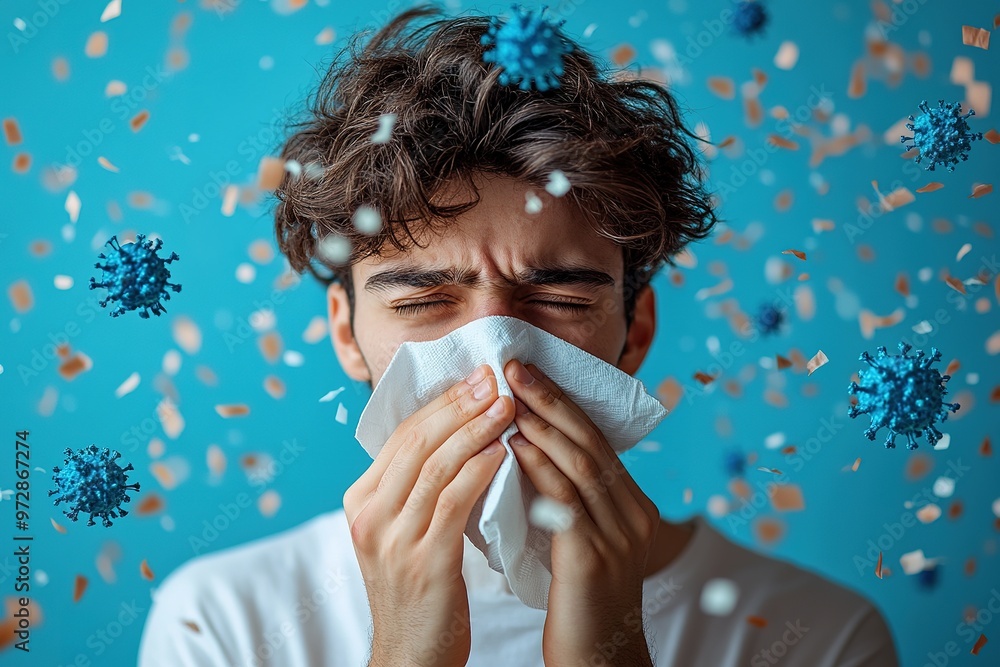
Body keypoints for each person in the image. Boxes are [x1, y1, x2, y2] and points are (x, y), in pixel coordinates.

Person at [138, 5, 899, 665]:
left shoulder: (818, 637)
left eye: (560, 295)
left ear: (633, 332)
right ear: (346, 332)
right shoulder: (222, 623)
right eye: (423, 301)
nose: (497, 354)